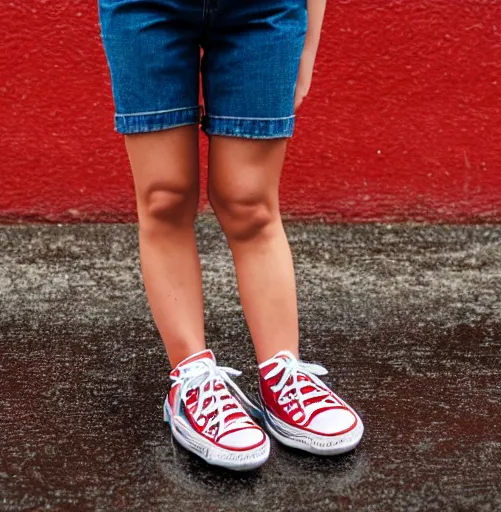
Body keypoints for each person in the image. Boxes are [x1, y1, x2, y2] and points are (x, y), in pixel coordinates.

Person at [97, 0, 363, 470]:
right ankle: (191, 378)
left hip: (264, 10)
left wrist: (310, 41)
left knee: (250, 204)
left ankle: (284, 377)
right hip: (144, 8)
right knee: (164, 198)